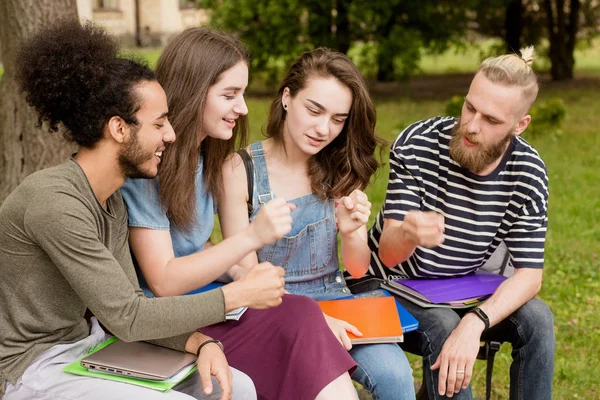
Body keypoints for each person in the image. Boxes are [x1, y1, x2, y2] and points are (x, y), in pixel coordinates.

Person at [0, 20, 258, 400]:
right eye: (159, 123)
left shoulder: (113, 202)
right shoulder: (54, 202)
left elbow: (124, 312)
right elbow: (129, 316)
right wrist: (236, 296)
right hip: (30, 368)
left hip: (88, 349)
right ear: (119, 129)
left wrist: (202, 344)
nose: (170, 135)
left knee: (238, 387)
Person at [121, 28, 359, 400]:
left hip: (202, 303)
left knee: (301, 313)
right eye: (230, 95)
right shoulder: (150, 165)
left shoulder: (203, 158)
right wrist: (250, 239)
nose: (243, 108)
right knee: (298, 322)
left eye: (242, 94)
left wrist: (244, 272)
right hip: (165, 325)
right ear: (193, 90)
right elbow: (163, 280)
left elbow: (195, 245)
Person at [218, 48, 416, 400]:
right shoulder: (240, 170)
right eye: (314, 110)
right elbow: (245, 274)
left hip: (337, 299)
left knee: (396, 377)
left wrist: (353, 231)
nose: (325, 129)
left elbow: (356, 268)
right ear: (287, 97)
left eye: (338, 119)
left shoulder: (339, 163)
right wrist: (314, 320)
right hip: (274, 311)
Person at [361, 46, 555, 399]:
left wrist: (476, 320)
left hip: (467, 290)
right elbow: (388, 256)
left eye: (492, 120)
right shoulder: (418, 144)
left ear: (520, 125)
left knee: (538, 320)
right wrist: (407, 232)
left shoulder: (528, 171)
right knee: (445, 325)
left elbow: (530, 276)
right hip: (395, 284)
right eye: (469, 107)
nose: (471, 126)